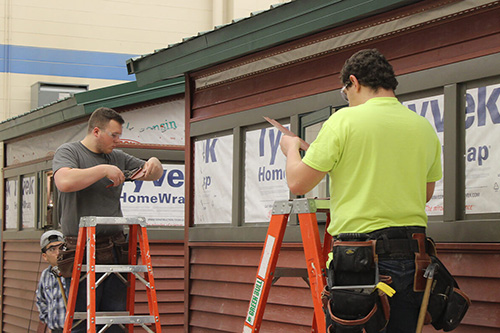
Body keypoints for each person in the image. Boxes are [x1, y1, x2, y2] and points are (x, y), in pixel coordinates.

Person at [279, 49, 442, 332]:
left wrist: (291, 149)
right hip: (413, 259)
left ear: (353, 82)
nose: (348, 100)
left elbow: (297, 183)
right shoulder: (423, 127)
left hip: (360, 261)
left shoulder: (344, 121)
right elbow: (425, 193)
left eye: (346, 93)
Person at [52, 107, 164, 332]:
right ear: (96, 131)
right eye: (113, 135)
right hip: (81, 246)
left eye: (119, 135)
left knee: (114, 317)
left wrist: (154, 162)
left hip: (114, 246)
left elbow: (151, 173)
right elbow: (64, 181)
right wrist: (103, 170)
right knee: (82, 321)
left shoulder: (117, 157)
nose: (117, 140)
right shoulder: (69, 152)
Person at [36, 230, 67, 333]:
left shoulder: (74, 273)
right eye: (52, 249)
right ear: (45, 256)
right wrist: (49, 321)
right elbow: (41, 300)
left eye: (61, 247)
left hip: (74, 329)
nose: (58, 253)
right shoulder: (45, 275)